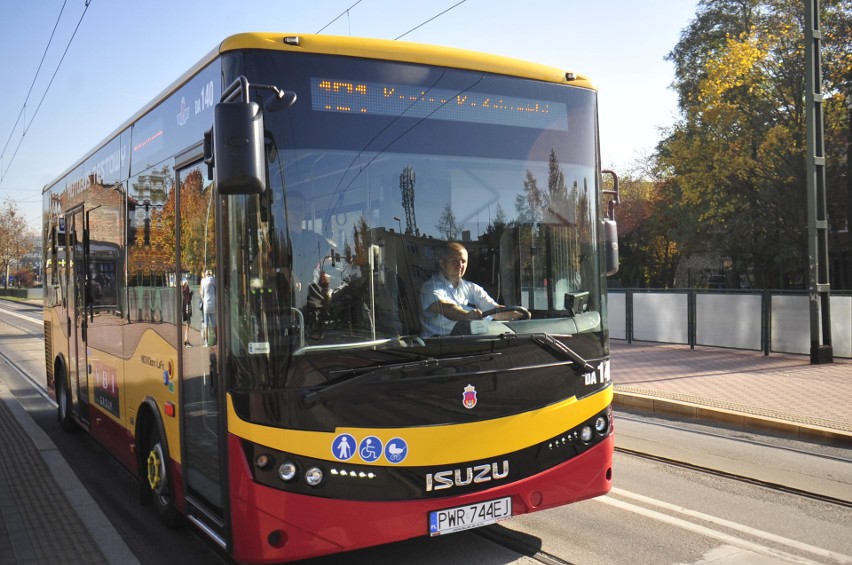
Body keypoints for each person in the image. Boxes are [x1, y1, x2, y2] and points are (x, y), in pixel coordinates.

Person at [420, 242, 523, 337]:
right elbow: (447, 309)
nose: (460, 265)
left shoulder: (472, 288)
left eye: (463, 261)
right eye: (454, 261)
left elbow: (493, 309)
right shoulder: (430, 287)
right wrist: (467, 315)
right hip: (438, 347)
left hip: (470, 343)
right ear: (442, 263)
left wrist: (516, 314)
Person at [200, 269, 216, 346]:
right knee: (214, 323)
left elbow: (202, 292)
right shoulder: (213, 279)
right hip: (213, 304)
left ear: (206, 274)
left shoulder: (203, 281)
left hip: (206, 304)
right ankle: (217, 339)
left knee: (206, 324)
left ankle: (206, 342)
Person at [181, 278, 193, 347]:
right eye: (187, 281)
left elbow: (186, 298)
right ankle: (186, 342)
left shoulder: (184, 288)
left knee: (188, 324)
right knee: (188, 324)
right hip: (187, 307)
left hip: (185, 307)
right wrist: (191, 294)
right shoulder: (186, 288)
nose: (188, 282)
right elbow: (188, 299)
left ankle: (186, 340)